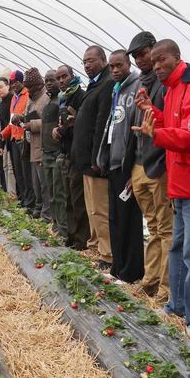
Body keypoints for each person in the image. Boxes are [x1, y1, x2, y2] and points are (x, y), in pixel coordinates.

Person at [133, 39, 190, 341]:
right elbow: (173, 123)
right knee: (178, 248)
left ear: (176, 58)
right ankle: (177, 306)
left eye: (161, 60)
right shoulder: (172, 90)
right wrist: (152, 112)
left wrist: (156, 133)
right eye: (154, 61)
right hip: (178, 184)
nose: (156, 66)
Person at [127, 32, 171, 301]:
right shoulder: (140, 84)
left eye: (143, 53)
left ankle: (166, 287)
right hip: (140, 164)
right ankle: (151, 279)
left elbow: (168, 126)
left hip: (159, 165)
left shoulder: (165, 84)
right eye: (136, 56)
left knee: (165, 228)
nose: (140, 60)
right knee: (153, 226)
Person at [98, 50, 144, 283]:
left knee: (129, 221)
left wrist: (133, 167)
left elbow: (136, 130)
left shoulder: (136, 87)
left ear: (129, 64)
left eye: (119, 65)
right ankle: (117, 267)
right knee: (115, 218)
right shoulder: (117, 89)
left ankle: (130, 272)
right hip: (114, 162)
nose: (115, 70)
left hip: (127, 164)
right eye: (112, 66)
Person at [73, 46, 113, 269]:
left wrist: (98, 158)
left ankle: (107, 254)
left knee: (100, 209)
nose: (87, 65)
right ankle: (95, 245)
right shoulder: (95, 84)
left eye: (91, 60)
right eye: (84, 62)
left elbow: (101, 125)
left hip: (95, 161)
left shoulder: (107, 84)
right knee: (92, 208)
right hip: (86, 160)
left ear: (103, 60)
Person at [54, 65, 89, 249]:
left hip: (77, 154)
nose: (61, 81)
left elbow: (81, 126)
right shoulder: (63, 98)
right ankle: (70, 235)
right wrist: (58, 130)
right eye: (59, 78)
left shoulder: (80, 96)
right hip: (66, 152)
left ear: (72, 76)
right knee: (67, 197)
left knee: (77, 199)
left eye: (64, 76)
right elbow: (63, 124)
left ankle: (81, 240)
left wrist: (66, 128)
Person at [1, 71, 33, 207]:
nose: (14, 85)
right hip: (14, 139)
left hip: (23, 139)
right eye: (12, 83)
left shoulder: (28, 95)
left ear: (22, 82)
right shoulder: (14, 97)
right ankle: (23, 199)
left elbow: (26, 117)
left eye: (16, 82)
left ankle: (30, 202)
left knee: (26, 173)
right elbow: (11, 122)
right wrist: (2, 134)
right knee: (17, 172)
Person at [23, 68, 50, 219]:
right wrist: (21, 118)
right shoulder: (31, 99)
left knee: (44, 183)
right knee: (36, 183)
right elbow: (28, 115)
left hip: (42, 145)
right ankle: (38, 208)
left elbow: (50, 122)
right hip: (32, 145)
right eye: (27, 87)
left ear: (39, 84)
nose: (28, 90)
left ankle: (47, 214)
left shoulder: (46, 98)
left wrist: (32, 125)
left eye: (30, 86)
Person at [40, 70, 61, 225]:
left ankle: (61, 226)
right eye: (46, 80)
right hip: (46, 152)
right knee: (50, 192)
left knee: (58, 192)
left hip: (56, 152)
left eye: (52, 80)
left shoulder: (61, 101)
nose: (48, 83)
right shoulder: (49, 101)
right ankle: (55, 224)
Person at [0, 77, 16, 197]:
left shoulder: (13, 99)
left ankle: (14, 195)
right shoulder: (2, 104)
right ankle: (9, 193)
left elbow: (11, 123)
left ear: (8, 86)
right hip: (6, 139)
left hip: (14, 138)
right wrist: (1, 144)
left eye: (1, 87)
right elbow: (3, 125)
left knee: (11, 168)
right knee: (6, 166)